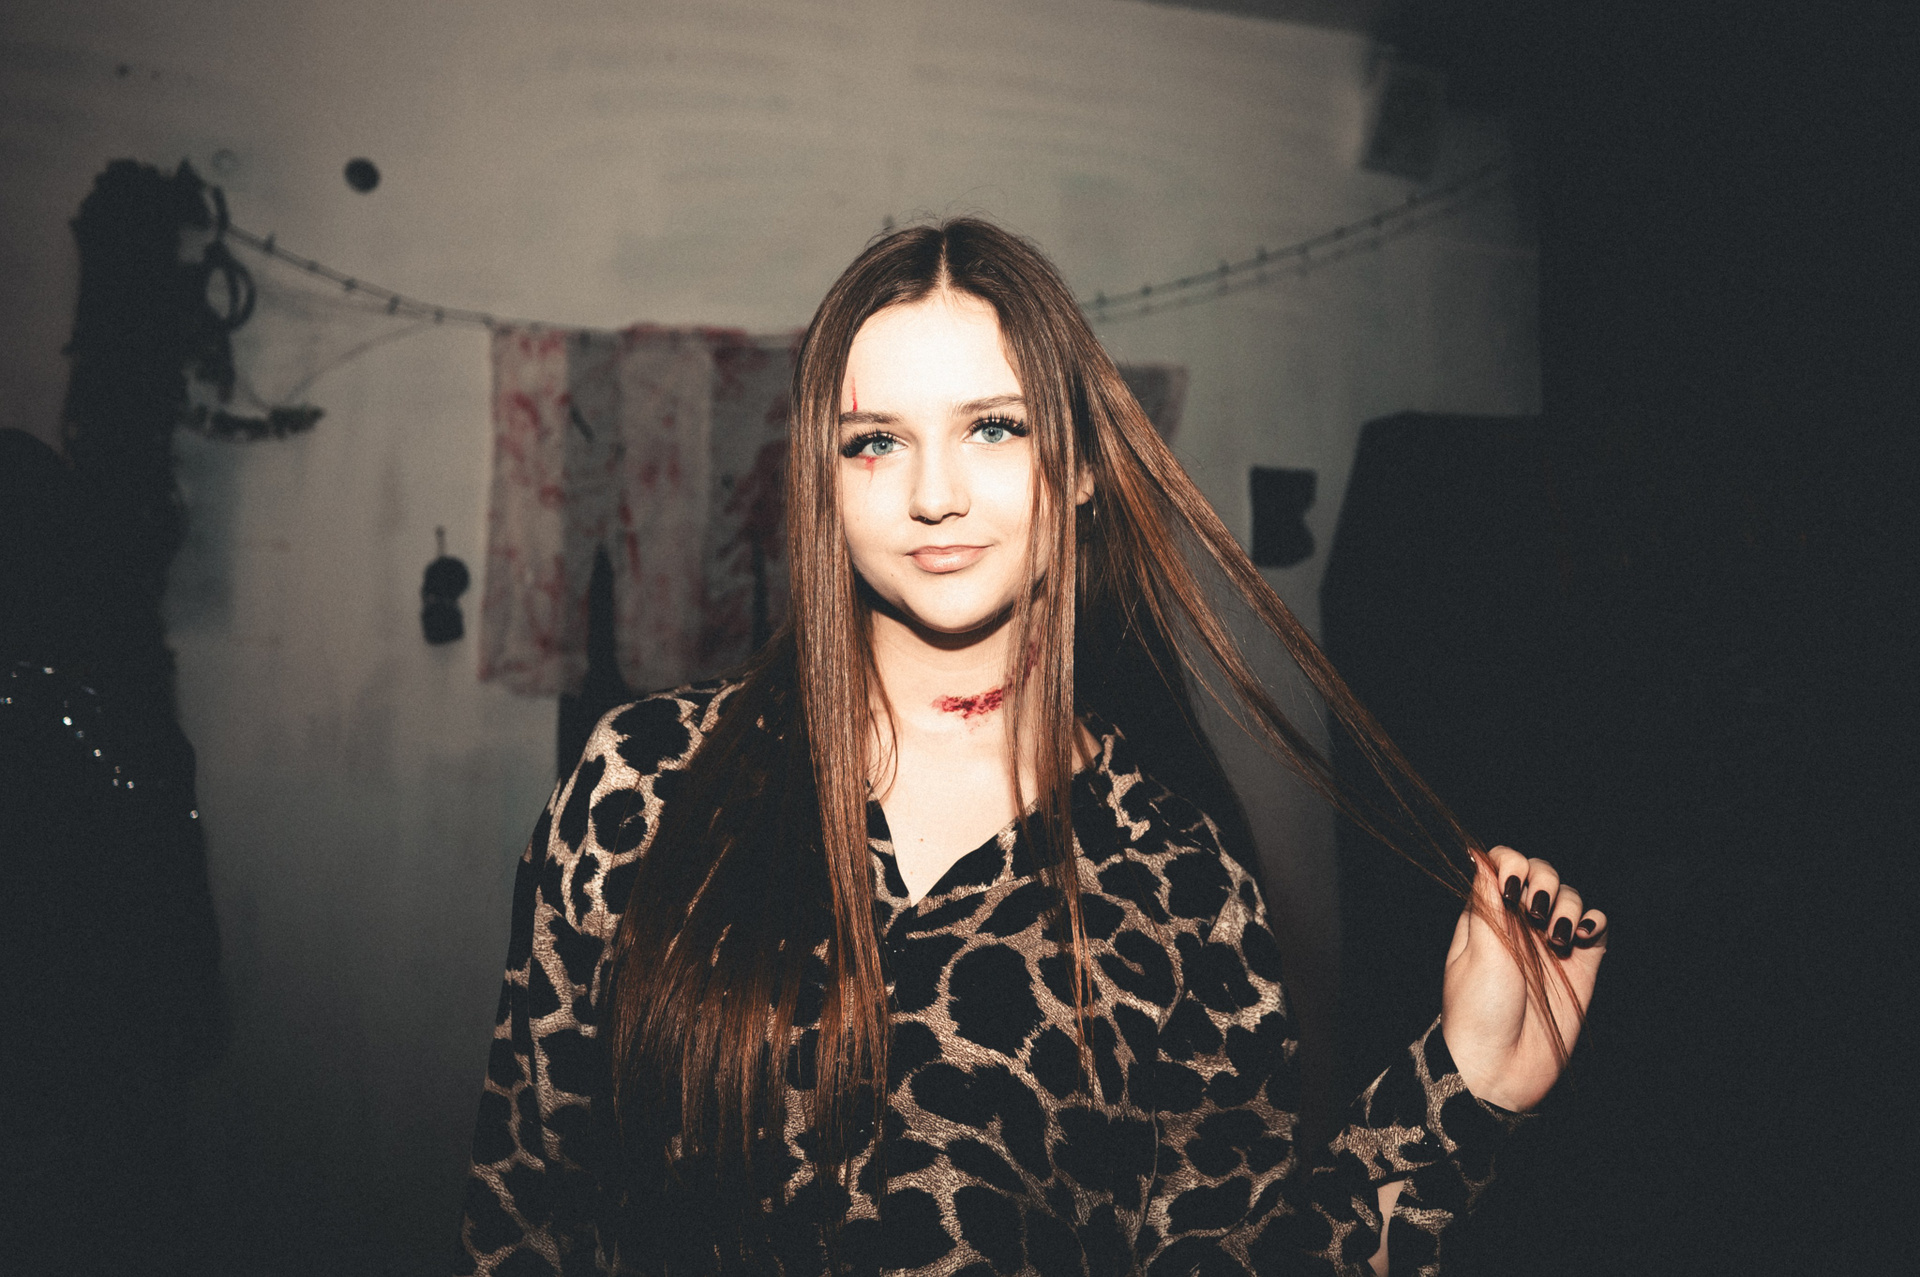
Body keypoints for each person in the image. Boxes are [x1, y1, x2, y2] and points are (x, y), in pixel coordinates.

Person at [453, 219, 1606, 1277]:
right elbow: (525, 1216)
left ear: (1085, 465)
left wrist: (1465, 1090)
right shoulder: (645, 781)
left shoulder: (1182, 884)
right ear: (823, 477)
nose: (934, 494)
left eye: (993, 427)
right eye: (875, 441)